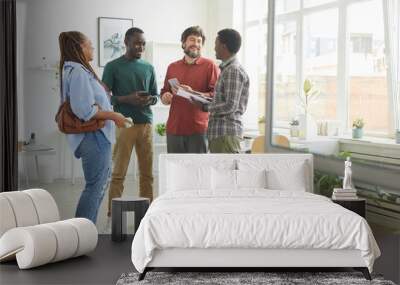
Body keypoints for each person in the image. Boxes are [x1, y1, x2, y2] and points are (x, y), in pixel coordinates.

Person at [58, 31, 126, 223]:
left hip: (93, 136)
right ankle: (82, 232)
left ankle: (84, 232)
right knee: (95, 186)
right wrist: (113, 115)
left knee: (97, 185)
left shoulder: (73, 69)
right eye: (89, 44)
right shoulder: (78, 71)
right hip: (93, 136)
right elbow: (84, 111)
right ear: (80, 47)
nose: (92, 48)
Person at [102, 27, 158, 217]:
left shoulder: (148, 67)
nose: (140, 47)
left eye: (143, 43)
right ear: (126, 43)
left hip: (146, 125)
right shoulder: (113, 66)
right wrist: (128, 99)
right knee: (118, 173)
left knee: (147, 174)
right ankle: (112, 212)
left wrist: (149, 99)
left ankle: (148, 212)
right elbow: (105, 97)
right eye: (137, 43)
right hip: (124, 124)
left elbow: (155, 96)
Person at [160, 26, 219, 153]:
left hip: (198, 130)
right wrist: (165, 97)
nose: (196, 44)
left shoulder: (210, 66)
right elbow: (165, 91)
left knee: (197, 171)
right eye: (192, 40)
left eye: (199, 41)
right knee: (174, 171)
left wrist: (192, 92)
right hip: (174, 129)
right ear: (183, 43)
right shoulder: (172, 67)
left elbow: (216, 96)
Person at [196, 29, 249, 153]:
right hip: (221, 134)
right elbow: (223, 100)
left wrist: (205, 107)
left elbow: (230, 105)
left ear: (223, 46)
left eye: (216, 44)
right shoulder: (227, 69)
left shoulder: (233, 70)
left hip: (225, 133)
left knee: (224, 172)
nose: (214, 48)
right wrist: (199, 96)